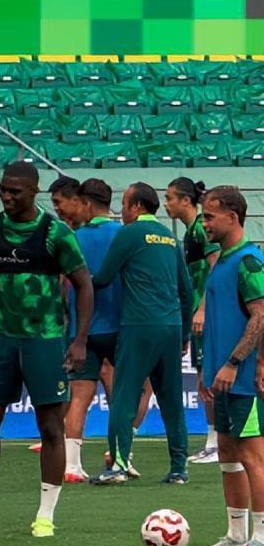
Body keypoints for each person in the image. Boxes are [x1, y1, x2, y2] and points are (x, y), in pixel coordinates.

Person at [0, 162, 92, 539]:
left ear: (34, 191)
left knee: (50, 426)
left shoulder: (55, 233)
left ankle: (45, 516)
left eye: (15, 191)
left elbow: (84, 284)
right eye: (3, 190)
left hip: (44, 338)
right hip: (0, 336)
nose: (7, 197)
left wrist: (79, 340)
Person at [91, 183, 193, 484]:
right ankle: (179, 469)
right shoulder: (170, 237)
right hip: (171, 327)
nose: (121, 211)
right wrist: (185, 334)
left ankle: (119, 466)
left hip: (139, 325)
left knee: (124, 396)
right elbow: (186, 291)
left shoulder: (130, 233)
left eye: (124, 204)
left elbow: (103, 277)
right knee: (171, 401)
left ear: (136, 207)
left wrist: (78, 280)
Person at [182, 188, 264, 546]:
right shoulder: (222, 261)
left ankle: (261, 537)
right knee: (228, 454)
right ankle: (236, 535)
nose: (204, 224)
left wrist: (235, 363)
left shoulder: (249, 261)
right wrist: (211, 371)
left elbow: (260, 315)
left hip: (243, 379)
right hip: (222, 378)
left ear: (233, 217)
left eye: (210, 217)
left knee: (253, 457)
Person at [48, 178, 123, 482]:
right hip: (118, 324)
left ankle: (71, 465)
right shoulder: (123, 235)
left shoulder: (73, 237)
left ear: (86, 203)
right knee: (120, 395)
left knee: (80, 395)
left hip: (83, 329)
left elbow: (61, 283)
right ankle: (120, 459)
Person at [166, 177, 221, 465]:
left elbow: (216, 266)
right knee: (203, 377)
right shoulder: (191, 232)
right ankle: (213, 441)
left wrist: (202, 310)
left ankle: (218, 442)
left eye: (170, 198)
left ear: (185, 200)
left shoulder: (201, 228)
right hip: (196, 318)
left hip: (207, 317)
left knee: (209, 377)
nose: (166, 204)